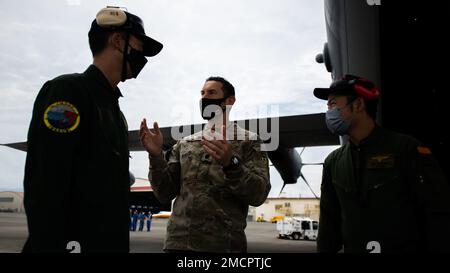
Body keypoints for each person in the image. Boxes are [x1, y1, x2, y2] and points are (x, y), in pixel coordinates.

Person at [22, 7, 163, 252]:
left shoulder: (114, 111)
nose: (143, 57)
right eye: (139, 47)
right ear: (118, 41)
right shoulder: (68, 91)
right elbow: (46, 185)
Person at [314, 74, 450, 253]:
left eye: (333, 104)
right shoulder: (333, 162)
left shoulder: (407, 149)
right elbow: (328, 225)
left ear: (358, 105)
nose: (329, 112)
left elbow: (437, 215)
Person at [139, 76, 271, 252]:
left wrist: (231, 163)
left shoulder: (250, 141)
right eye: (202, 93)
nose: (204, 98)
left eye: (211, 92)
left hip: (223, 246)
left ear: (229, 101)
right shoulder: (185, 143)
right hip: (177, 244)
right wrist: (156, 157)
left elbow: (258, 195)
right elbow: (164, 193)